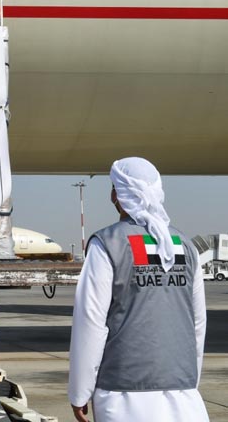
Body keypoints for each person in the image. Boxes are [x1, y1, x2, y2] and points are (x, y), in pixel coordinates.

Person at [68, 157, 209, 422]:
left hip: (122, 396)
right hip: (184, 397)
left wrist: (79, 392)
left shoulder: (106, 243)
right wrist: (188, 379)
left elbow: (90, 322)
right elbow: (197, 323)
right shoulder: (186, 246)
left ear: (116, 195)